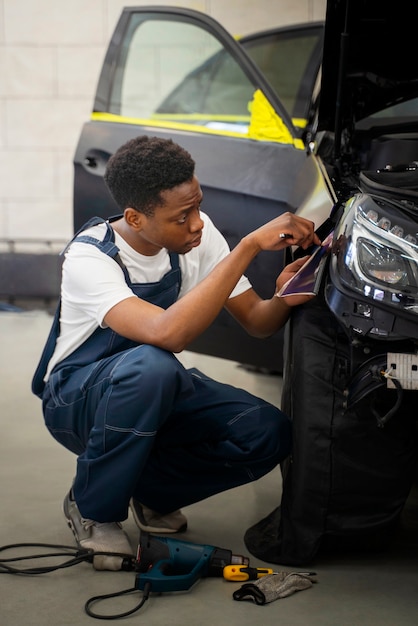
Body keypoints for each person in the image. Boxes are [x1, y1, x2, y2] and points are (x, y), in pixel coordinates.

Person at [32, 135, 321, 571]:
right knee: (154, 366)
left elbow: (259, 322)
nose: (197, 224)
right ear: (135, 217)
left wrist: (286, 294)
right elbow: (165, 335)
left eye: (198, 206)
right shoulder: (90, 258)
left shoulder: (197, 239)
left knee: (267, 432)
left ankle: (149, 493)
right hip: (77, 399)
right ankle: (93, 508)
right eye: (181, 216)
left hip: (153, 385)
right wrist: (247, 247)